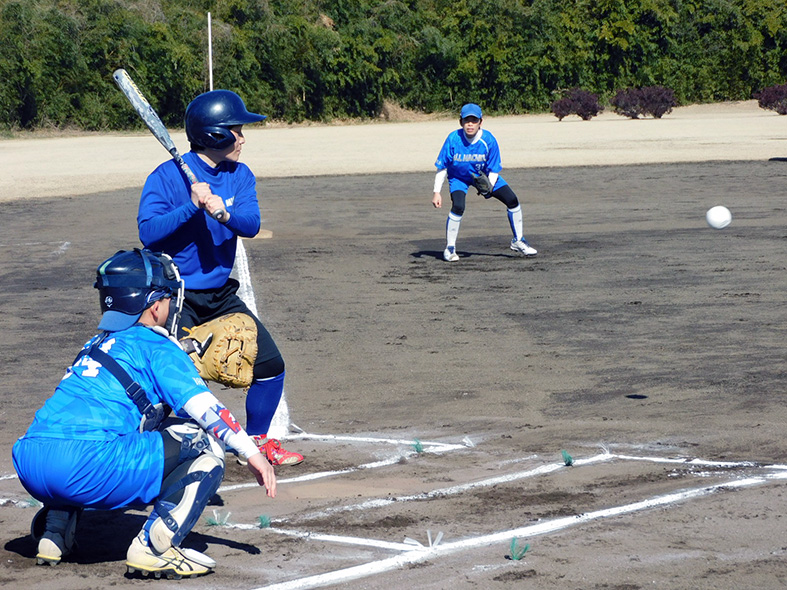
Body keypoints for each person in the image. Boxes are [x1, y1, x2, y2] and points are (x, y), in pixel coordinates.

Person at [12, 249, 276, 578]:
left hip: (31, 461)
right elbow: (206, 410)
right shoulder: (157, 347)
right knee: (202, 444)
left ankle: (54, 532)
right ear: (154, 305)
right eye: (167, 297)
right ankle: (154, 547)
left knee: (105, 430)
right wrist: (252, 452)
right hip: (85, 466)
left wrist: (182, 354)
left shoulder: (95, 345)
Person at [137, 89, 302, 467]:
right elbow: (148, 232)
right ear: (214, 135)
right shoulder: (165, 177)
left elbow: (251, 224)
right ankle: (142, 450)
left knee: (270, 365)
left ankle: (257, 443)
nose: (242, 138)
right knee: (168, 381)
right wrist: (191, 207)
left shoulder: (239, 175)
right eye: (236, 130)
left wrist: (221, 214)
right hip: (174, 296)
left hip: (220, 294)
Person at [432, 103, 538, 261]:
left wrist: (489, 187)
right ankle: (450, 249)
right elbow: (442, 167)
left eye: (474, 120)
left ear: (480, 122)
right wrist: (436, 192)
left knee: (512, 200)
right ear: (460, 122)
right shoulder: (453, 139)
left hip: (484, 175)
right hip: (458, 178)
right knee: (458, 206)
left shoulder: (488, 140)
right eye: (466, 120)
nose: (470, 124)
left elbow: (494, 168)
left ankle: (518, 241)